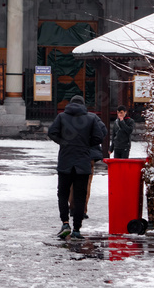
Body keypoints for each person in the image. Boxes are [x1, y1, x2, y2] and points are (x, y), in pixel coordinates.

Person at [48, 94, 106, 240]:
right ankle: (77, 229)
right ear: (83, 105)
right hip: (83, 162)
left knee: (63, 193)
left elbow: (51, 133)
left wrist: (63, 141)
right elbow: (99, 137)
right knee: (80, 196)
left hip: (65, 161)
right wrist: (86, 143)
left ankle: (65, 223)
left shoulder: (61, 117)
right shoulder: (91, 118)